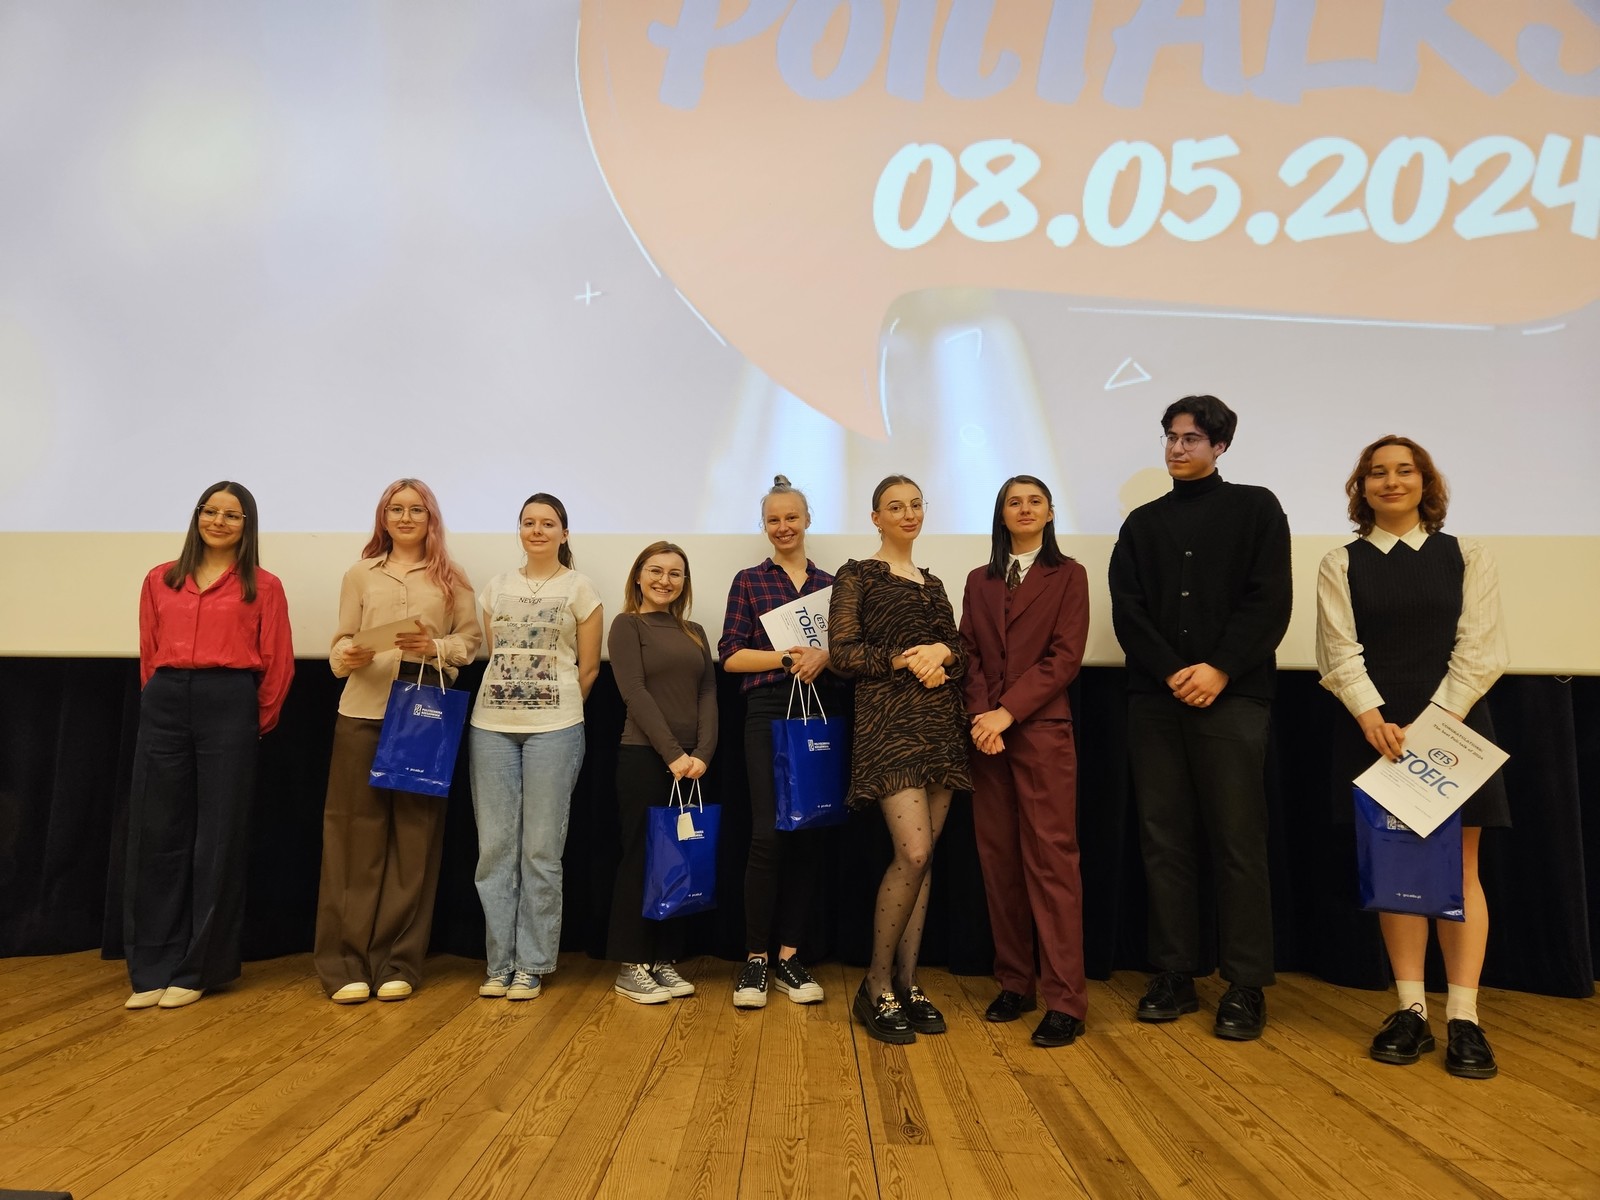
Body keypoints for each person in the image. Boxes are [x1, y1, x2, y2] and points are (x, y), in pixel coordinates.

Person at [1316, 435, 1508, 1079]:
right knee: (1395, 865)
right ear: (1362, 487)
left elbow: (1480, 648)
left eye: (1404, 471)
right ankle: (1410, 1011)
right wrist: (1371, 716)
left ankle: (1465, 1018)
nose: (1391, 482)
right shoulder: (1340, 562)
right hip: (1376, 732)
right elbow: (1338, 650)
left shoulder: (1467, 555)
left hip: (1454, 730)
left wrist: (1437, 724)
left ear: (1426, 483)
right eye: (1377, 473)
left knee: (1460, 869)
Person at [1108, 395, 1292, 1040]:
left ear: (1220, 446)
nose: (1176, 448)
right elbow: (1128, 610)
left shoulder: (1256, 508)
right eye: (1170, 437)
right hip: (1155, 701)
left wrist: (1219, 669)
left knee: (1238, 839)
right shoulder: (1142, 523)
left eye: (1190, 438)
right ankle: (1174, 972)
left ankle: (1245, 984)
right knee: (1165, 838)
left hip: (1233, 696)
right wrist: (1170, 671)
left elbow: (1269, 602)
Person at [125, 481, 294, 1010]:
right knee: (157, 833)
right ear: (197, 516)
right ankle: (152, 967)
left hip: (229, 703)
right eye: (210, 511)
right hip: (167, 699)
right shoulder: (160, 579)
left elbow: (278, 663)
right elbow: (149, 651)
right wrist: (161, 699)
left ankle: (200, 968)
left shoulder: (264, 586)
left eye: (232, 515)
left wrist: (253, 721)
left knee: (219, 838)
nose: (219, 521)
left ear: (247, 525)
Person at [314, 479, 480, 1004]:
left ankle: (398, 962)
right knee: (352, 839)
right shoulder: (360, 573)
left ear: (431, 518)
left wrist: (437, 647)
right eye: (396, 509)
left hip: (422, 719)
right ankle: (345, 965)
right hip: (362, 712)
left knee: (414, 841)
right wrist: (346, 654)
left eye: (416, 510)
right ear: (383, 517)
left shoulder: (452, 577)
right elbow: (341, 642)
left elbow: (471, 641)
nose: (406, 518)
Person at [829, 475, 969, 1045]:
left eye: (915, 505)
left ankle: (908, 985)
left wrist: (943, 653)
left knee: (924, 859)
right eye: (895, 506)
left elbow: (961, 652)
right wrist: (908, 659)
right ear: (875, 517)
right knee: (912, 852)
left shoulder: (933, 583)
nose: (908, 514)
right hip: (888, 727)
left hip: (941, 726)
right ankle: (876, 984)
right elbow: (843, 653)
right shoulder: (857, 574)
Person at [959, 475, 1091, 1048]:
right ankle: (1015, 983)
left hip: (1041, 734)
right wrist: (981, 716)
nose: (1025, 509)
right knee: (1000, 863)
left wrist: (1006, 713)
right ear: (1001, 514)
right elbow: (967, 653)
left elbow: (1065, 657)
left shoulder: (1070, 575)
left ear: (1050, 512)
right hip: (986, 739)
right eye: (1014, 502)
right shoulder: (979, 579)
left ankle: (1065, 1001)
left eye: (1035, 501)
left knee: (1052, 864)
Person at [470, 493, 602, 1001]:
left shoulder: (580, 588)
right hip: (491, 727)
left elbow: (588, 668)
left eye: (548, 523)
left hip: (556, 728)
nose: (538, 530)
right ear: (520, 530)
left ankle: (531, 964)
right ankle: (499, 963)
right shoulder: (496, 587)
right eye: (529, 522)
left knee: (542, 850)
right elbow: (495, 654)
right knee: (494, 851)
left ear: (564, 534)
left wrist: (555, 709)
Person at [718, 475, 834, 1010]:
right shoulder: (749, 580)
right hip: (766, 710)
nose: (783, 527)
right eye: (773, 520)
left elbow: (845, 653)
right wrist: (788, 657)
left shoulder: (832, 584)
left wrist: (825, 656)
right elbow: (731, 655)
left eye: (791, 517)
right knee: (767, 835)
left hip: (819, 713)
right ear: (764, 526)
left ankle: (790, 956)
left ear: (807, 520)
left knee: (807, 833)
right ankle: (756, 959)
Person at [606, 542, 718, 1004]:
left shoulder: (695, 631)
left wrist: (703, 754)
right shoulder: (626, 625)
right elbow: (633, 692)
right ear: (638, 576)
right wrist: (673, 754)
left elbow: (708, 693)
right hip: (645, 756)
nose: (664, 580)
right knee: (641, 857)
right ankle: (632, 964)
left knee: (678, 859)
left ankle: (663, 958)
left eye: (675, 573)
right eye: (655, 571)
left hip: (691, 765)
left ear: (684, 582)